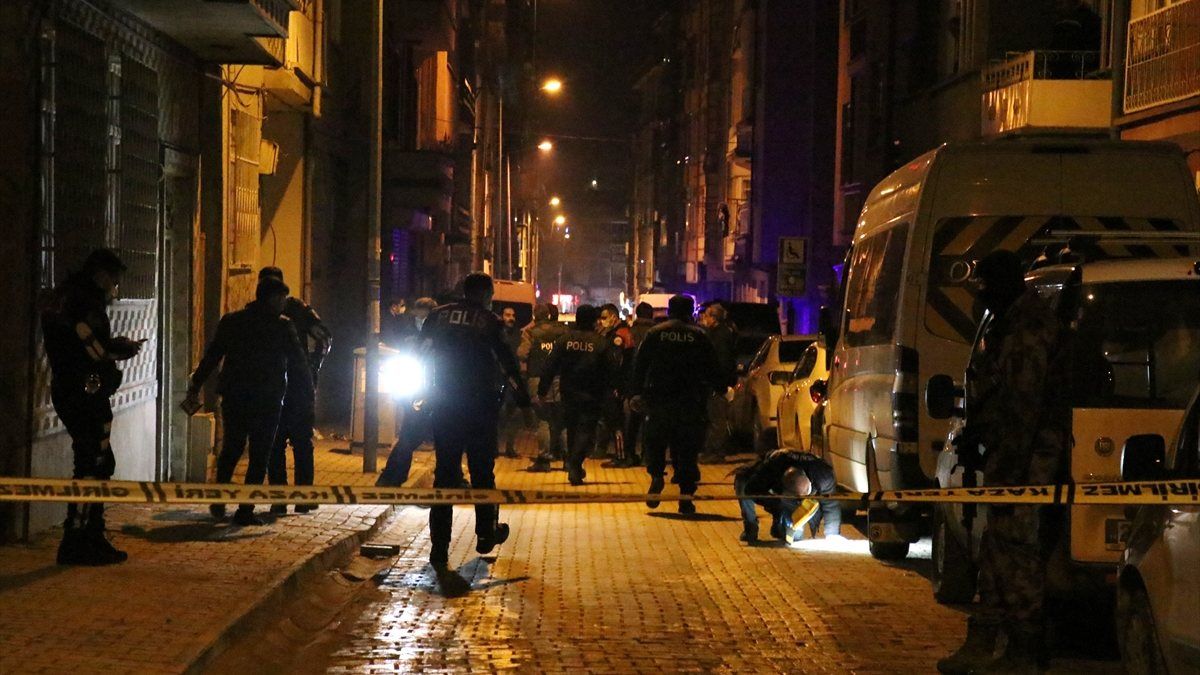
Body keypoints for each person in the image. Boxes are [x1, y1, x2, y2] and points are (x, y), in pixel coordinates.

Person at [937, 250, 1069, 675]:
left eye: (987, 287)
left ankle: (1024, 648)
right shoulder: (1007, 321)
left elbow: (1023, 408)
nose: (982, 296)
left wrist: (1009, 470)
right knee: (997, 549)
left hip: (1029, 461)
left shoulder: (1028, 327)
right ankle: (986, 639)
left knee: (1018, 553)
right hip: (1008, 456)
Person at [40, 249, 144, 565]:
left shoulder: (66, 297)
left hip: (71, 390)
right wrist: (123, 350)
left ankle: (91, 536)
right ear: (101, 274)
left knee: (98, 462)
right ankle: (78, 541)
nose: (115, 288)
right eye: (114, 280)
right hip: (84, 394)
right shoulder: (84, 303)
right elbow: (95, 350)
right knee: (92, 464)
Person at [423, 273, 531, 572]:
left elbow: (422, 351)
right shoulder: (489, 321)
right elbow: (508, 364)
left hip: (445, 405)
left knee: (444, 476)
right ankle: (486, 533)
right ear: (486, 295)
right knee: (482, 472)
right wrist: (524, 403)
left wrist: (423, 393)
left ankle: (439, 548)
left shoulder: (438, 316)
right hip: (479, 408)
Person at [184, 277, 313, 526]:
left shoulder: (232, 321)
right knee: (259, 454)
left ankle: (219, 498)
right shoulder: (283, 326)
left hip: (235, 396)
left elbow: (213, 355)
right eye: (282, 298)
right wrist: (307, 394)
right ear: (272, 298)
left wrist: (196, 383)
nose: (284, 303)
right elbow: (299, 364)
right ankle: (245, 510)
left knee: (231, 448)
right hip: (268, 400)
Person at [632, 295, 723, 514]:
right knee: (687, 450)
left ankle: (656, 476)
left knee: (656, 442)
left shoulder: (655, 333)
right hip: (690, 400)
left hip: (659, 399)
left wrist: (635, 393)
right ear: (690, 312)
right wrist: (720, 387)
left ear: (669, 311)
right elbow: (713, 367)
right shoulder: (700, 335)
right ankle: (685, 497)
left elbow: (640, 365)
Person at [256, 267, 331, 514]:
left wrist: (312, 367)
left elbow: (324, 337)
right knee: (277, 444)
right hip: (274, 387)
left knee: (297, 442)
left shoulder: (298, 309)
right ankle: (283, 498)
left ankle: (299, 497)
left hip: (295, 385)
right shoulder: (255, 314)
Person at [538, 305, 618, 485]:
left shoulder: (565, 340)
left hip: (569, 392)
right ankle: (575, 463)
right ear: (594, 321)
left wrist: (542, 389)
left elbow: (550, 365)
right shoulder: (600, 342)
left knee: (573, 429)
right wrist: (612, 390)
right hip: (592, 393)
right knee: (586, 430)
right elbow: (611, 369)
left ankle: (573, 463)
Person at [376, 297, 438, 487]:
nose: (421, 321)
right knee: (412, 433)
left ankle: (392, 475)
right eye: (419, 317)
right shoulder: (409, 330)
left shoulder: (437, 332)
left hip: (427, 388)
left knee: (411, 434)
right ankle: (392, 476)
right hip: (415, 388)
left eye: (424, 317)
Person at [732, 449, 841, 544]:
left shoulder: (824, 477)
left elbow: (831, 506)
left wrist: (832, 534)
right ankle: (750, 527)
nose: (798, 501)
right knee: (741, 480)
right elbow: (751, 489)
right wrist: (776, 506)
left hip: (803, 487)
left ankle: (781, 527)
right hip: (775, 476)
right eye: (795, 499)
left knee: (793, 536)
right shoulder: (771, 469)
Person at [518, 303, 568, 472]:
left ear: (535, 316)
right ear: (548, 315)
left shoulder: (530, 332)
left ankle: (544, 459)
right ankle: (568, 460)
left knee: (543, 419)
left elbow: (522, 354)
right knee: (562, 419)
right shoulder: (562, 331)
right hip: (559, 377)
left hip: (537, 377)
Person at [698, 302, 738, 463]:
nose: (704, 319)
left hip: (718, 384)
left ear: (713, 318)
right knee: (714, 418)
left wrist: (719, 383)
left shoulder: (720, 336)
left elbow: (722, 361)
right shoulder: (718, 333)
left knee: (717, 419)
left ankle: (716, 453)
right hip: (716, 383)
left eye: (706, 316)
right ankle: (711, 451)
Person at [598, 303, 636, 467]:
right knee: (617, 420)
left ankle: (621, 457)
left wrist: (616, 386)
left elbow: (616, 363)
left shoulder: (618, 335)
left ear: (614, 317)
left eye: (604, 317)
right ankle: (624, 455)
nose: (602, 321)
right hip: (620, 384)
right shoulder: (623, 331)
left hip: (615, 385)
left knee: (616, 422)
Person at [623, 302, 656, 464]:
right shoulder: (656, 333)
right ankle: (647, 456)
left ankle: (629, 455)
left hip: (632, 382)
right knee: (649, 421)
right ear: (651, 315)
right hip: (652, 382)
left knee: (632, 421)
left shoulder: (630, 332)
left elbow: (625, 359)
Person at [498, 305, 524, 458]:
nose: (511, 318)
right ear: (501, 316)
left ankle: (510, 446)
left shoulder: (518, 334)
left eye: (513, 315)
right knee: (499, 413)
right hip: (498, 378)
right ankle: (494, 446)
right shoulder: (496, 333)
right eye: (507, 315)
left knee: (514, 414)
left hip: (513, 380)